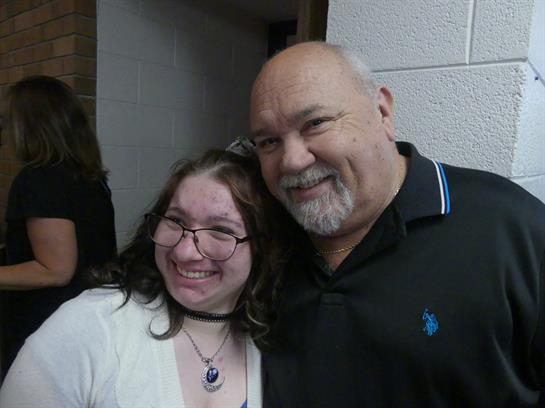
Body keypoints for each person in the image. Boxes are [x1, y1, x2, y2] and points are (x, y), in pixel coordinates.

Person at [249, 41, 545, 407]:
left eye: (316, 123)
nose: (292, 160)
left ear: (383, 111)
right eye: (269, 141)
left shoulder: (512, 228)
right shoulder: (256, 241)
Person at [0, 149, 288, 407]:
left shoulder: (277, 342)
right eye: (175, 220)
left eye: (221, 231)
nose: (185, 251)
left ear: (264, 246)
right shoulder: (88, 328)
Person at [0, 75, 117, 378]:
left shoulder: (39, 179)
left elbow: (55, 270)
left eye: (9, 121)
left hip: (46, 329)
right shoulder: (90, 179)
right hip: (85, 321)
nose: (7, 131)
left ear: (29, 127)